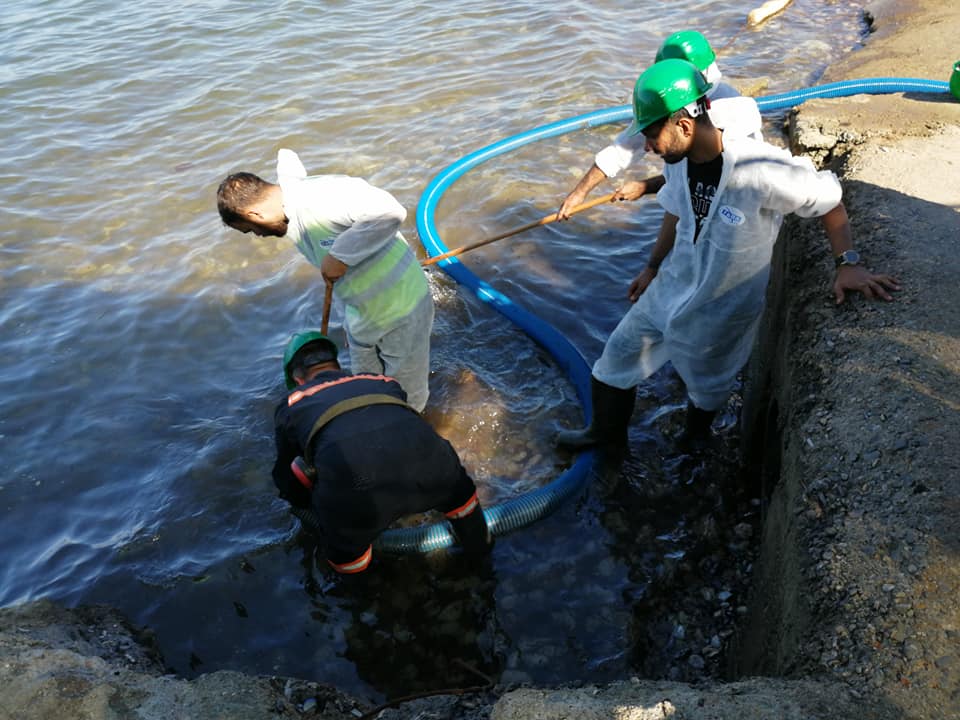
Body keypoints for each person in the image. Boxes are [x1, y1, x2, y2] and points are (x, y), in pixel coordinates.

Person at [557, 59, 900, 450]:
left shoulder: (758, 169)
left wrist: (848, 264)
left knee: (706, 388)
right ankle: (604, 439)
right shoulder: (679, 164)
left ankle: (694, 444)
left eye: (652, 136)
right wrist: (652, 267)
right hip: (672, 286)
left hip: (723, 305)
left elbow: (828, 200)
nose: (648, 148)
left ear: (684, 126)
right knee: (614, 362)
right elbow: (675, 211)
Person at [217, 149, 434, 412]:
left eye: (250, 229)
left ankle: (413, 430)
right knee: (365, 387)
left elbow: (390, 211)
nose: (257, 235)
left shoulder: (322, 199)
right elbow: (288, 163)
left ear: (255, 215)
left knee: (406, 390)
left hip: (403, 305)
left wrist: (340, 255)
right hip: (362, 314)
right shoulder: (287, 204)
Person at [272, 330, 492, 574]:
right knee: (463, 505)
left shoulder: (292, 403)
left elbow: (285, 476)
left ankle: (366, 589)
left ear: (296, 379)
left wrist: (306, 505)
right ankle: (483, 561)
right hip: (436, 469)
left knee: (349, 564)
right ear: (336, 364)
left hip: (359, 493)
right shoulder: (381, 381)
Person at [557, 30, 763, 220]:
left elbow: (699, 179)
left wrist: (646, 186)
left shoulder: (734, 112)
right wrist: (579, 193)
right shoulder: (672, 109)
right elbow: (623, 149)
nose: (648, 145)